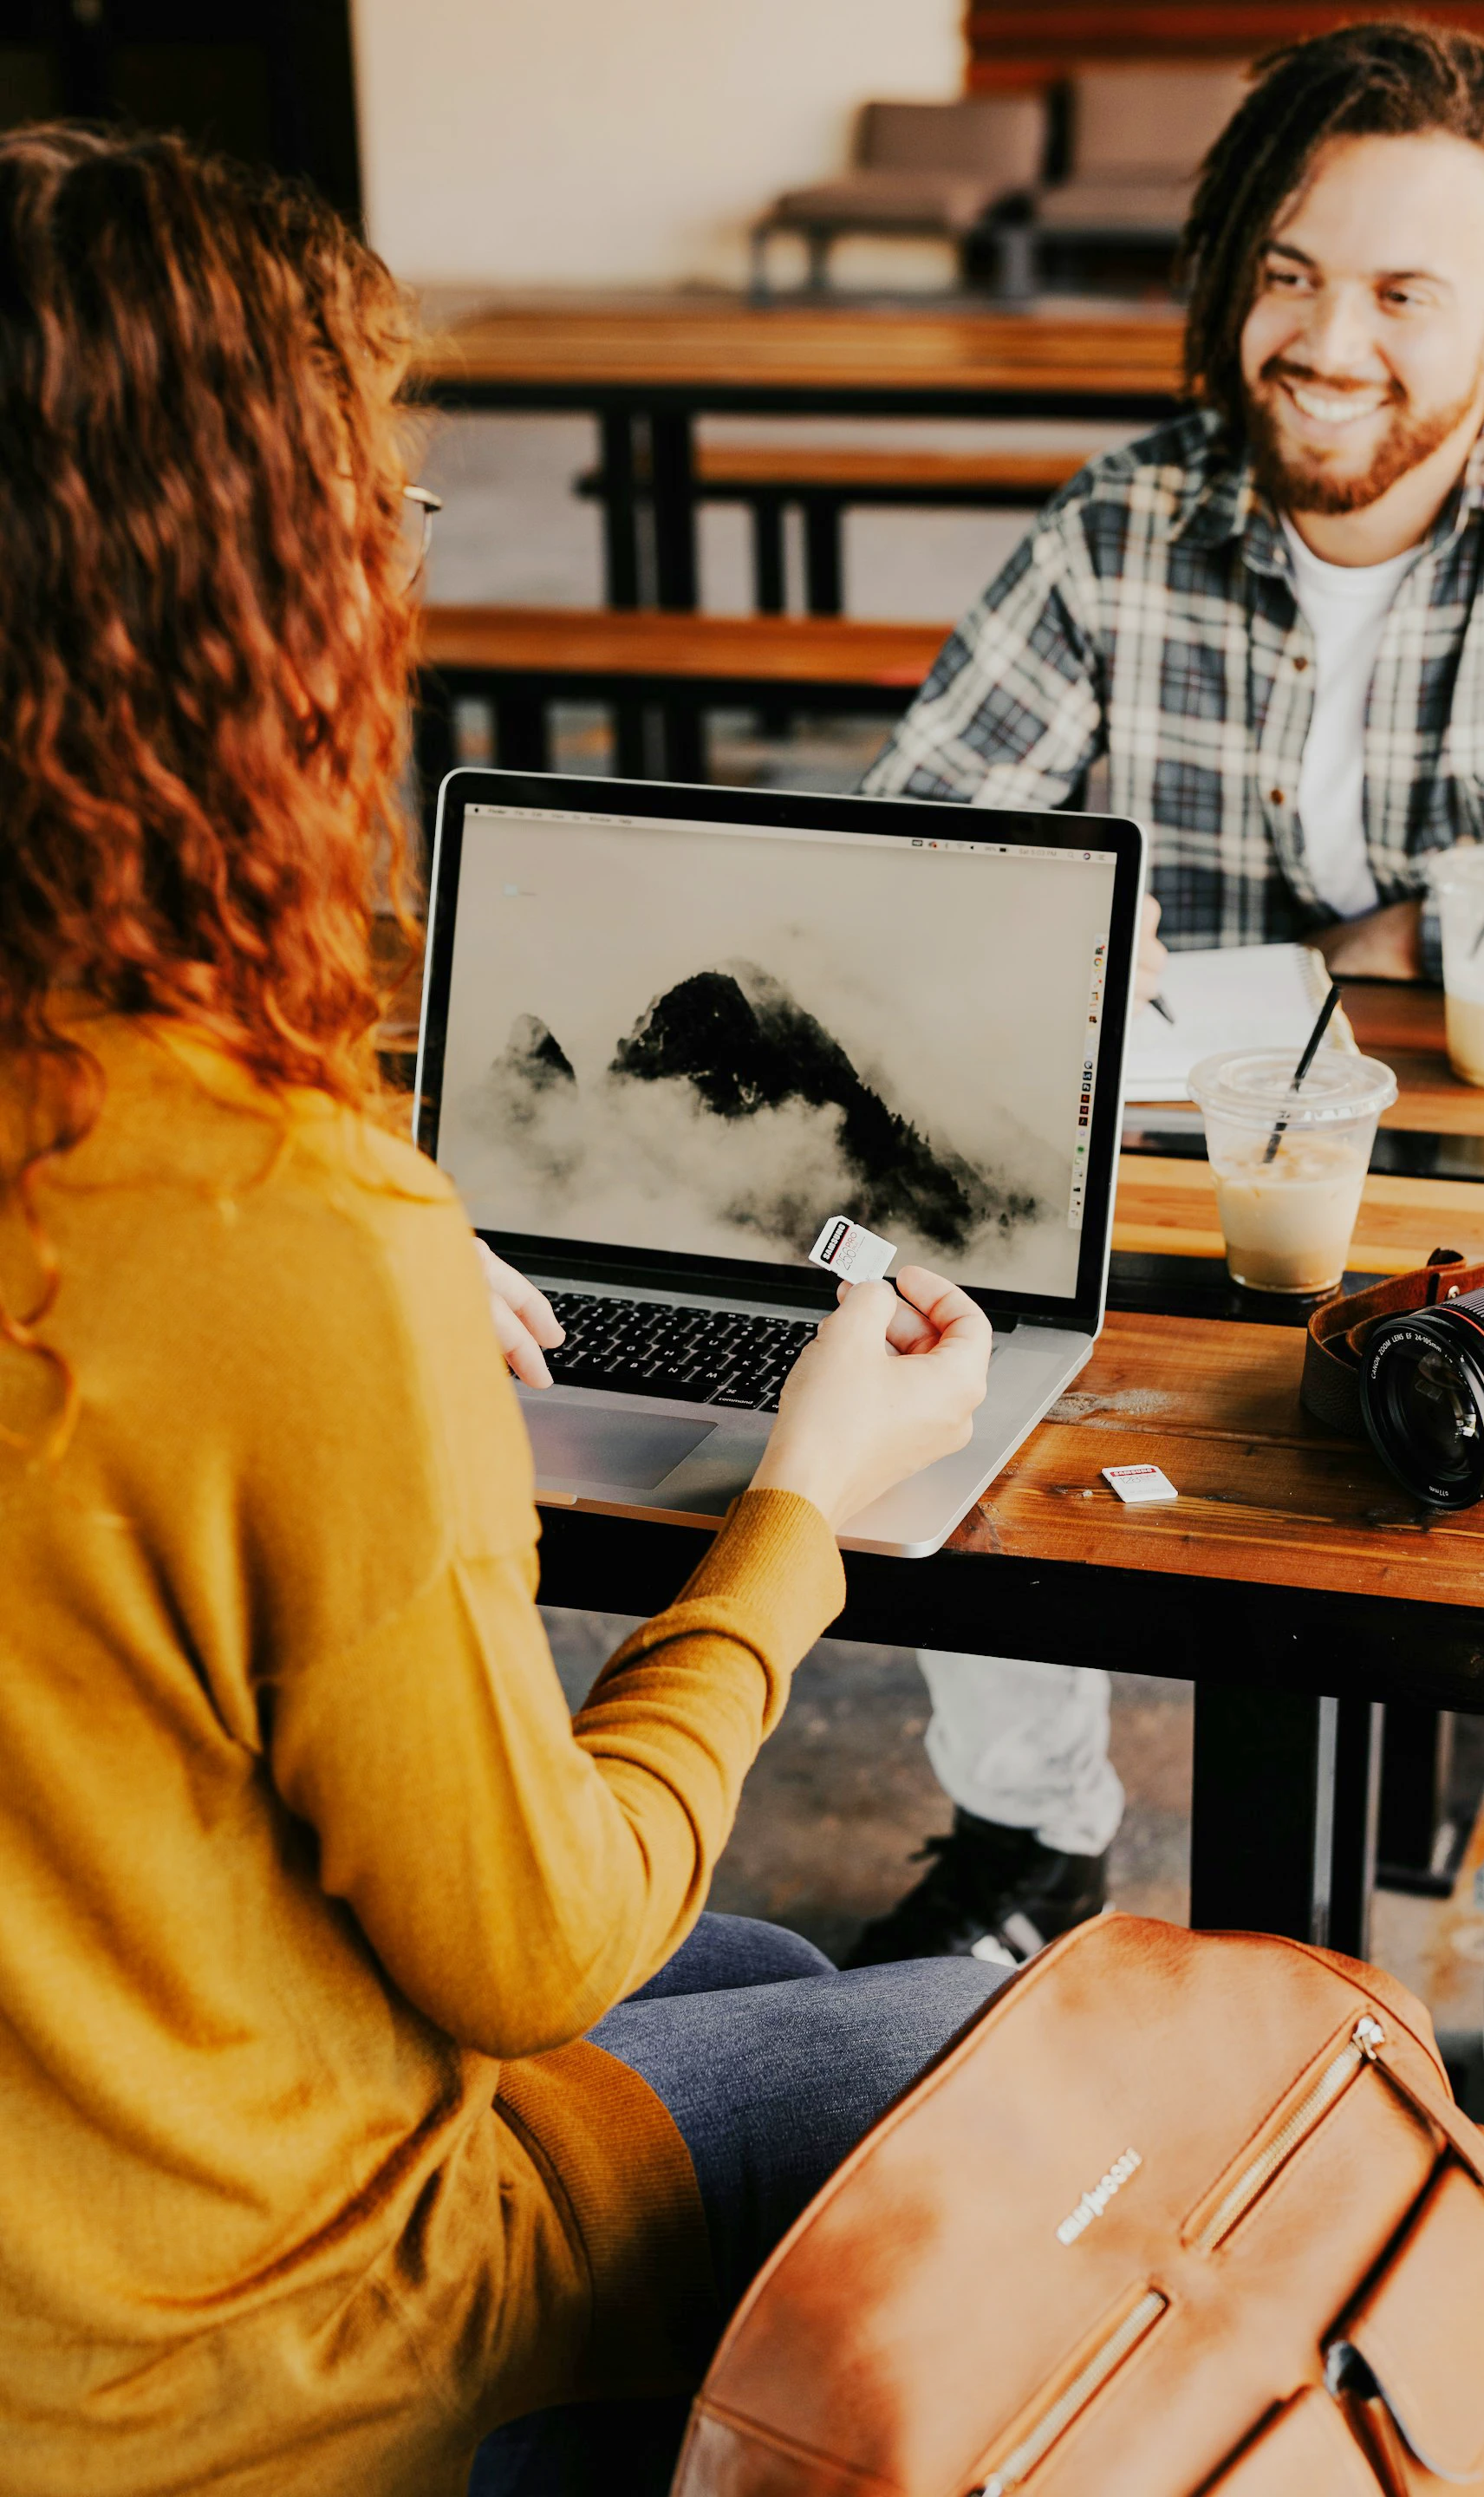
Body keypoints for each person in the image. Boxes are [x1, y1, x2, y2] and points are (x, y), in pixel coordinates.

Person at [0, 126, 1004, 2497]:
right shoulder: (268, 1218)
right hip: (212, 2366)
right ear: (250, 604)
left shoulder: (204, 1193)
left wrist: (333, 1279)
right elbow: (527, 1956)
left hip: (75, 2152)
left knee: (757, 1977)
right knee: (1000, 2030)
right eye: (385, 520)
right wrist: (805, 1514)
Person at [856, 17, 1484, 2285]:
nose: (1323, 342)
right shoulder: (1123, 525)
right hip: (1194, 1170)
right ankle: (1024, 1831)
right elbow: (918, 866)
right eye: (1292, 271)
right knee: (918, 1264)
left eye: (1409, 296)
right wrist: (1427, 922)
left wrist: (1370, 938)